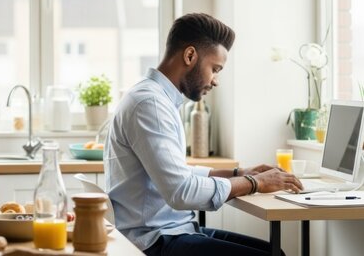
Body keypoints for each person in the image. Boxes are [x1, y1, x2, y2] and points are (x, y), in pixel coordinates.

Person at [105, 13, 303, 256]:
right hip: (154, 241)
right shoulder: (151, 105)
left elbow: (176, 173)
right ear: (190, 56)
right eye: (215, 69)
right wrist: (256, 183)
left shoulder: (155, 99)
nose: (216, 80)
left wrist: (240, 173)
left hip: (169, 230)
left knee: (275, 252)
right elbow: (181, 191)